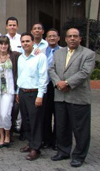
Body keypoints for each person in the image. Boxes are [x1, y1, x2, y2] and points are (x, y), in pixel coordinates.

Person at [49, 28, 95, 167]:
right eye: (70, 36)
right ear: (65, 39)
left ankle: (79, 156)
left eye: (75, 36)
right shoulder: (58, 53)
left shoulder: (88, 54)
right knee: (62, 126)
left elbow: (84, 72)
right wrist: (58, 82)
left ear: (80, 39)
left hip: (78, 97)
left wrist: (67, 83)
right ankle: (63, 151)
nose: (72, 38)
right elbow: (51, 69)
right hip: (60, 96)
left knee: (80, 129)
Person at [17, 32, 48, 161]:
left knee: (36, 121)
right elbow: (20, 75)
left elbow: (43, 77)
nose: (25, 44)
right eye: (23, 41)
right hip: (23, 92)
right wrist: (18, 91)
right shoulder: (21, 58)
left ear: (33, 42)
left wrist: (40, 95)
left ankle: (36, 148)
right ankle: (31, 144)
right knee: (27, 120)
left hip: (34, 93)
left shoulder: (40, 57)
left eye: (27, 41)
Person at [0, 36, 20, 148]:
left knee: (5, 113)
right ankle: (1, 136)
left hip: (9, 89)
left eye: (5, 44)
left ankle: (8, 134)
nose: (3, 46)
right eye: (1, 44)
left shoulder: (15, 56)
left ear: (8, 45)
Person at [42, 28, 61, 149]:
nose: (52, 38)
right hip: (46, 85)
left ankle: (56, 140)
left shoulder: (63, 51)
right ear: (46, 39)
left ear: (58, 38)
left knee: (58, 114)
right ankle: (46, 139)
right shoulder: (42, 51)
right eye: (49, 36)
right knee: (45, 114)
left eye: (54, 36)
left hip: (58, 85)